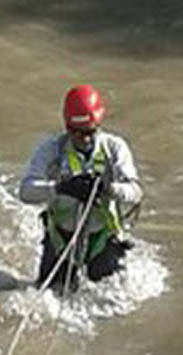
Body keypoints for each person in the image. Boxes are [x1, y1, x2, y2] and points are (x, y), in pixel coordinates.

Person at [19, 85, 143, 293]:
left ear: (99, 125)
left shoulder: (114, 149)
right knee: (45, 296)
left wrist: (108, 188)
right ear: (67, 127)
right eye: (76, 133)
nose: (84, 139)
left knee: (112, 303)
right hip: (61, 239)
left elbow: (135, 192)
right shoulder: (51, 151)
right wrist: (61, 188)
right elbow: (25, 191)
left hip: (102, 239)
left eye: (89, 132)